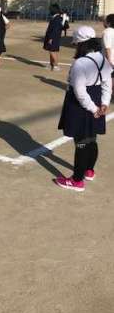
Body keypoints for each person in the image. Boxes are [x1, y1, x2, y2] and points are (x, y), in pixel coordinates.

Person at [55, 26, 112, 191]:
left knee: (81, 142)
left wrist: (93, 109)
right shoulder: (103, 59)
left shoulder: (80, 63)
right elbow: (107, 84)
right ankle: (89, 171)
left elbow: (80, 92)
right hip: (97, 99)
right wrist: (104, 104)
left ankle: (77, 180)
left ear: (81, 44)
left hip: (81, 105)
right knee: (92, 138)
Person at [43, 3, 64, 71]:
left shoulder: (57, 18)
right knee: (51, 51)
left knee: (52, 51)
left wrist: (51, 38)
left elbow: (55, 30)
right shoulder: (56, 17)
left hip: (54, 37)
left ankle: (56, 65)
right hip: (53, 37)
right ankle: (51, 65)